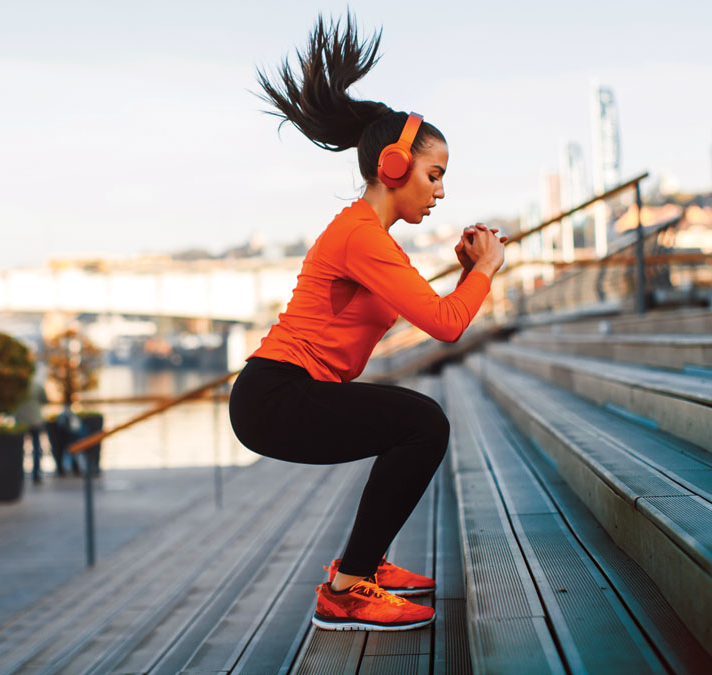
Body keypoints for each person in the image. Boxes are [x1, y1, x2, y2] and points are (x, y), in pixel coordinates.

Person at [228, 15, 506, 632]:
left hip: (286, 391)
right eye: (434, 176)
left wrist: (467, 277)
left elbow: (436, 310)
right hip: (276, 395)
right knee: (421, 423)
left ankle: (362, 570)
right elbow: (445, 326)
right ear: (394, 167)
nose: (439, 193)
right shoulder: (362, 236)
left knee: (412, 424)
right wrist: (486, 270)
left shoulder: (371, 238)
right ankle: (348, 590)